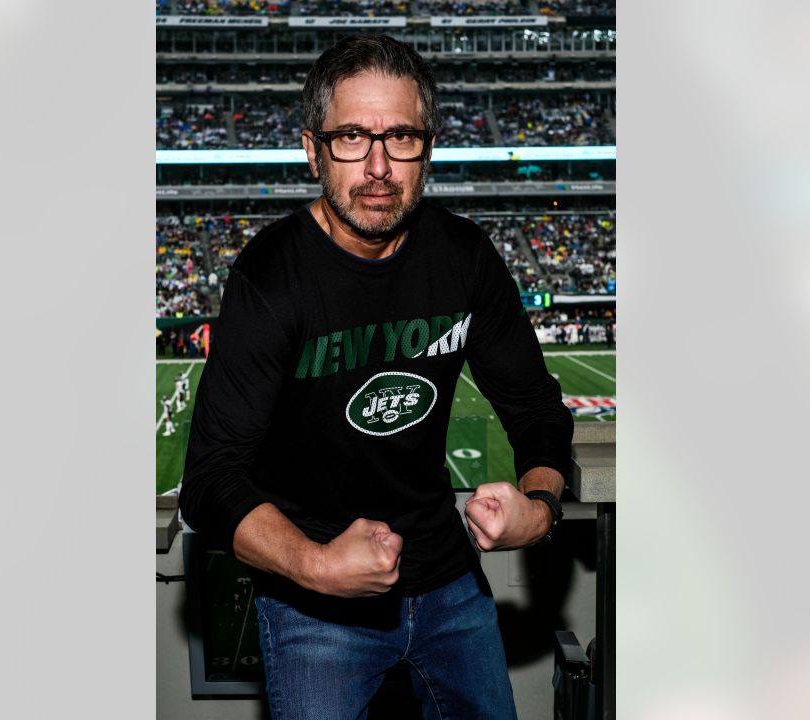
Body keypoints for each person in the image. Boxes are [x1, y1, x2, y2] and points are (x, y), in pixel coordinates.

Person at [179, 34, 572, 720]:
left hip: (450, 580)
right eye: (353, 137)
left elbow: (535, 404)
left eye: (401, 138)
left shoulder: (465, 256)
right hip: (313, 604)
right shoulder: (270, 279)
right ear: (313, 149)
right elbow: (211, 481)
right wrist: (317, 564)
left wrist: (537, 512)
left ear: (429, 147)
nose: (380, 166)